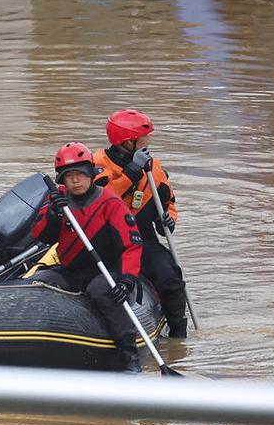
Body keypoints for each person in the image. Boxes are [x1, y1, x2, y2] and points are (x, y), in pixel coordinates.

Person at [26, 143, 146, 373]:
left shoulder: (110, 203)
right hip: (70, 270)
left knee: (103, 292)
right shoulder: (57, 200)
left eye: (80, 174)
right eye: (69, 176)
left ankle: (129, 356)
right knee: (38, 282)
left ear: (91, 174)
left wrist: (127, 279)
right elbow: (40, 235)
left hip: (104, 270)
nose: (75, 181)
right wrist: (53, 214)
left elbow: (132, 245)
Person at [94, 109, 188, 339]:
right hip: (105, 238)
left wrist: (168, 219)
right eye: (144, 138)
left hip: (141, 239)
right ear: (128, 142)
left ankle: (178, 334)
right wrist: (131, 172)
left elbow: (168, 201)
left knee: (170, 276)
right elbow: (98, 202)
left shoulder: (154, 169)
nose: (148, 142)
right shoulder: (97, 166)